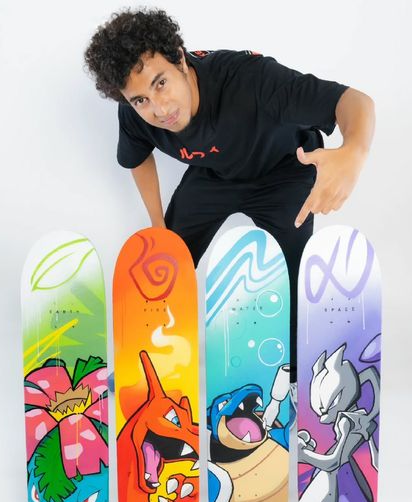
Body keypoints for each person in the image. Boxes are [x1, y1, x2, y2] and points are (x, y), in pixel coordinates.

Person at [84, 8, 375, 382]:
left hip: (283, 171)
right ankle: (149, 360)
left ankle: (296, 370)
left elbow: (355, 102)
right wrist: (158, 224)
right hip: (216, 174)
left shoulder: (250, 79)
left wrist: (353, 152)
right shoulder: (135, 113)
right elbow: (137, 157)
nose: (159, 109)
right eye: (140, 99)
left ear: (180, 59)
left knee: (293, 274)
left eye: (161, 83)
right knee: (167, 260)